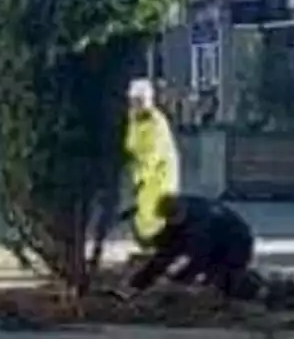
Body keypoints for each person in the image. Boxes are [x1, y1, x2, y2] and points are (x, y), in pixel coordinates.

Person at [113, 194, 267, 302]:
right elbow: (165, 251)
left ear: (181, 214)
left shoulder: (198, 228)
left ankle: (260, 291)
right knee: (167, 257)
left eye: (174, 220)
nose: (171, 223)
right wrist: (140, 282)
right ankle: (136, 285)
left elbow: (197, 259)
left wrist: (178, 279)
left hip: (236, 242)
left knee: (226, 278)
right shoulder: (180, 206)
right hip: (218, 237)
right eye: (169, 221)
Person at [123, 78, 180, 249]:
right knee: (144, 211)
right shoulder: (134, 119)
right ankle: (148, 244)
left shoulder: (157, 123)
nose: (136, 105)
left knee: (156, 211)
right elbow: (131, 143)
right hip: (143, 173)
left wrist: (141, 175)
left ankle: (159, 244)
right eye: (134, 100)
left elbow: (154, 153)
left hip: (160, 174)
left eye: (140, 101)